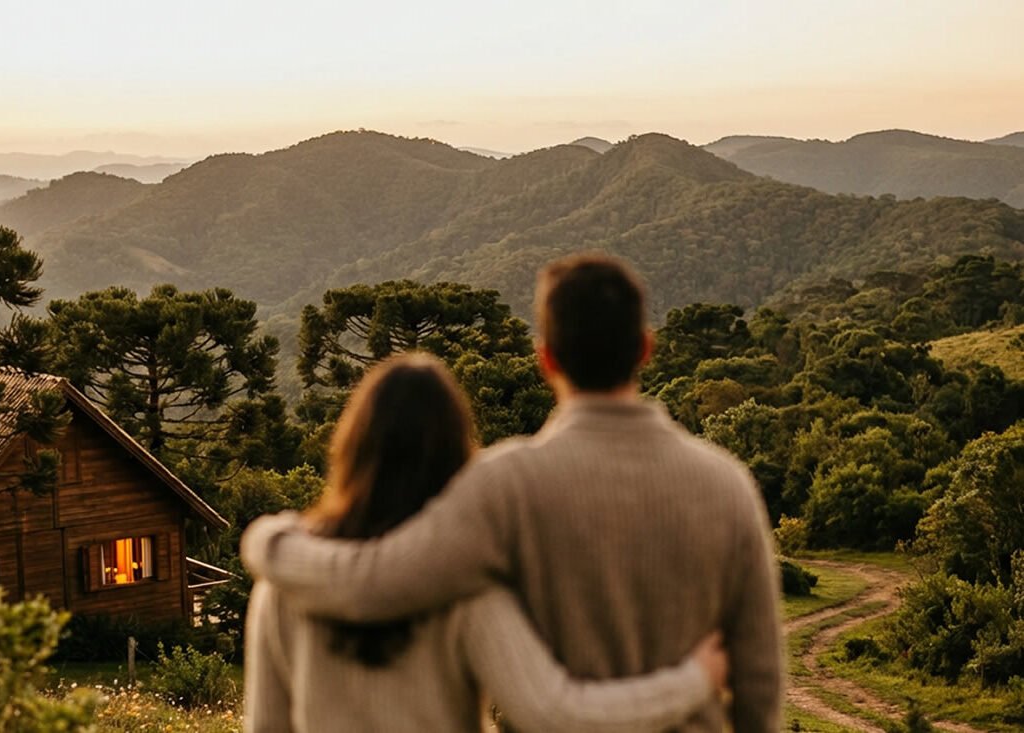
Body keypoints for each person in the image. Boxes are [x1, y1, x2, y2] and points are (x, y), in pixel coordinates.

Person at [243, 254, 783, 732]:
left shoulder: (506, 485)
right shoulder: (727, 481)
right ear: (645, 349)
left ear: (545, 357)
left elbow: (372, 581)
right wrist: (696, 682)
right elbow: (760, 674)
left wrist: (270, 544)